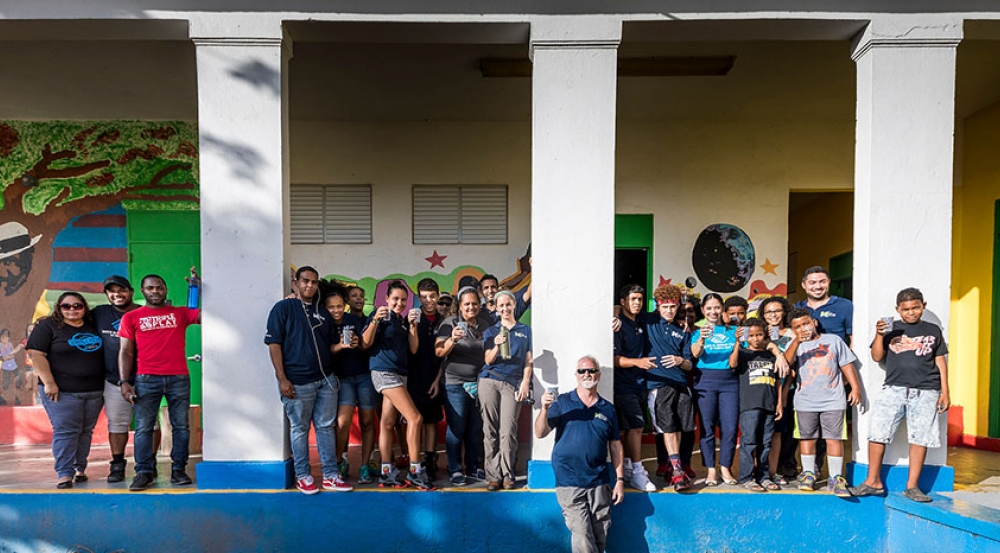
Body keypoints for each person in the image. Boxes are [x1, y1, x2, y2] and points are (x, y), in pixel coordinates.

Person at [851, 288, 949, 503]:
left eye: (915, 307)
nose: (911, 312)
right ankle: (872, 481)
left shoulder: (933, 330)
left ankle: (912, 486)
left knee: (920, 437)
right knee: (878, 432)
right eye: (906, 309)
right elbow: (877, 357)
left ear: (923, 304)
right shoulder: (891, 328)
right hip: (893, 388)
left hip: (927, 390)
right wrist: (879, 334)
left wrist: (945, 391)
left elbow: (940, 361)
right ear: (898, 309)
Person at [266, 267, 351, 494]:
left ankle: (331, 475)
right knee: (300, 428)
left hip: (326, 381)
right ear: (295, 282)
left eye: (314, 282)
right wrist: (282, 378)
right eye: (305, 281)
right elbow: (274, 344)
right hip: (296, 381)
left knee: (325, 427)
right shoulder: (283, 307)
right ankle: (303, 475)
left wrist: (341, 346)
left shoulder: (322, 313)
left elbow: (329, 346)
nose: (309, 286)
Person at [119, 270, 201, 492]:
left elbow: (203, 315)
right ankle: (144, 472)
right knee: (144, 428)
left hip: (178, 378)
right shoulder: (131, 317)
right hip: (146, 378)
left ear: (166, 290)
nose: (155, 291)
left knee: (181, 427)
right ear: (142, 291)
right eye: (150, 288)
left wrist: (196, 288)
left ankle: (179, 470)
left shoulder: (180, 313)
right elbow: (125, 351)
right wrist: (124, 381)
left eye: (159, 287)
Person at [535, 356, 624, 553]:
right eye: (582, 371)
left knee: (600, 534)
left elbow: (615, 445)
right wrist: (544, 409)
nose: (587, 374)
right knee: (582, 535)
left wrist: (619, 479)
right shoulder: (562, 402)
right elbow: (540, 433)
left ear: (598, 375)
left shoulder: (607, 408)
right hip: (569, 479)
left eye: (591, 371)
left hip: (599, 480)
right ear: (576, 375)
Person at [26, 292, 105, 488]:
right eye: (66, 306)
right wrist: (50, 382)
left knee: (85, 431)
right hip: (63, 392)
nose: (72, 310)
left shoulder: (92, 326)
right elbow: (36, 355)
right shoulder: (48, 326)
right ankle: (64, 473)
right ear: (59, 308)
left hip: (94, 391)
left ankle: (80, 468)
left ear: (84, 307)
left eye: (77, 306)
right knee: (66, 431)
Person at [361, 280, 434, 490]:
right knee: (415, 418)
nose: (399, 303)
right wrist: (375, 319)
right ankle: (415, 471)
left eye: (403, 300)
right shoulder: (379, 316)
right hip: (384, 373)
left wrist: (413, 326)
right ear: (386, 298)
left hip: (400, 374)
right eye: (395, 299)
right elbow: (365, 343)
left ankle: (386, 473)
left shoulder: (402, 321)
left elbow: (413, 349)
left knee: (387, 423)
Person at [783, 308, 861, 497]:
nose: (803, 328)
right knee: (807, 438)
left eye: (806, 323)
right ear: (792, 330)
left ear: (814, 322)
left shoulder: (833, 340)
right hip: (805, 401)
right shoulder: (796, 346)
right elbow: (785, 363)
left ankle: (835, 477)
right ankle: (808, 473)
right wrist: (796, 340)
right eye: (797, 327)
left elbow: (846, 364)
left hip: (833, 400)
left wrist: (855, 387)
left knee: (834, 438)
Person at [435, 286, 490, 486]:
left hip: (480, 384)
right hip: (455, 384)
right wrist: (452, 340)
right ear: (459, 306)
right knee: (457, 427)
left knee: (476, 428)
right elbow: (439, 352)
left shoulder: (485, 325)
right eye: (467, 303)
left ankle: (474, 467)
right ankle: (455, 469)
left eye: (474, 303)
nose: (471, 307)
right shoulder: (449, 324)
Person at [643, 284, 695, 491]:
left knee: (681, 427)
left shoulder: (683, 331)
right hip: (658, 385)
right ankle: (676, 472)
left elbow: (690, 364)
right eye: (665, 307)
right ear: (657, 306)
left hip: (681, 384)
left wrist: (679, 360)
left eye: (673, 307)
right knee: (667, 427)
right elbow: (623, 308)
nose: (669, 311)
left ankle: (675, 466)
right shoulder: (649, 321)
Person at [480, 290, 533, 491]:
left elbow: (528, 361)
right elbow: (487, 360)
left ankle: (508, 473)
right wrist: (496, 345)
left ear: (513, 305)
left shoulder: (525, 330)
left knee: (508, 430)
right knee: (490, 429)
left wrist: (526, 382)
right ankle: (493, 476)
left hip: (513, 383)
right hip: (490, 380)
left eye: (508, 305)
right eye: (501, 306)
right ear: (497, 308)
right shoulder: (491, 331)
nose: (505, 309)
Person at [324, 286, 377, 485]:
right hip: (343, 378)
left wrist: (358, 343)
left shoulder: (354, 320)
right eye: (331, 307)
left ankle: (364, 465)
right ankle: (340, 461)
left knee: (367, 422)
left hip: (364, 375)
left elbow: (367, 344)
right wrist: (340, 345)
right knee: (342, 423)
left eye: (339, 306)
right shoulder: (325, 324)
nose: (336, 310)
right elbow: (325, 351)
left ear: (344, 305)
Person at [91, 275, 141, 483]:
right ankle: (118, 464)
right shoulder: (99, 314)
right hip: (113, 380)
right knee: (117, 424)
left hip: (144, 378)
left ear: (130, 292)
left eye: (121, 290)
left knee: (149, 424)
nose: (117, 294)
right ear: (106, 294)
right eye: (111, 291)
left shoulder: (143, 312)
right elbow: (70, 322)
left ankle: (147, 463)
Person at [729, 317, 786, 492]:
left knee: (766, 442)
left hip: (769, 405)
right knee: (749, 441)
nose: (755, 338)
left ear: (765, 335)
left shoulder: (770, 355)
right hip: (750, 406)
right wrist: (738, 342)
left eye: (759, 334)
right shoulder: (744, 354)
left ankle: (764, 476)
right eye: (751, 335)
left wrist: (778, 405)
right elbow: (732, 363)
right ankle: (746, 477)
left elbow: (777, 382)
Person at [690, 292, 739, 486]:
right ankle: (710, 469)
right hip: (705, 381)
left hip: (730, 382)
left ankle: (725, 467)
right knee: (707, 427)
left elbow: (740, 354)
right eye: (709, 308)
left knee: (729, 427)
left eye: (717, 307)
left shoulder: (733, 330)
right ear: (703, 310)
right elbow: (694, 355)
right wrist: (701, 339)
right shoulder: (696, 332)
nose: (713, 311)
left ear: (723, 309)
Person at [611, 284, 656, 492]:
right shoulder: (618, 326)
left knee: (632, 428)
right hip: (624, 385)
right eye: (632, 299)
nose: (636, 302)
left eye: (639, 299)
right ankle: (638, 471)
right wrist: (637, 362)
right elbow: (614, 358)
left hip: (641, 384)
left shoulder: (643, 321)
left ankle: (629, 467)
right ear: (623, 301)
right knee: (636, 427)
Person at [407, 278, 446, 481]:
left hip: (435, 377)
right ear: (418, 297)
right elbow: (412, 349)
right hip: (415, 377)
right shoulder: (413, 318)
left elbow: (446, 355)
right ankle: (415, 460)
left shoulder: (444, 320)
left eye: (432, 296)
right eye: (423, 297)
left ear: (438, 296)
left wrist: (437, 379)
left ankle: (430, 461)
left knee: (431, 422)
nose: (428, 300)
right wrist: (412, 326)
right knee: (415, 421)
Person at [758, 296, 797, 484]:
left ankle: (780, 470)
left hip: (788, 388)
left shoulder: (793, 333)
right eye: (768, 312)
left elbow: (790, 365)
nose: (773, 315)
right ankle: (762, 470)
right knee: (762, 432)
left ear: (784, 312)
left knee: (783, 432)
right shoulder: (759, 333)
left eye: (777, 311)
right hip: (763, 387)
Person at [795, 266, 853, 347]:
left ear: (829, 282)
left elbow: (854, 338)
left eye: (823, 282)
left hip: (835, 358)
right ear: (804, 285)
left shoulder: (844, 305)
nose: (818, 286)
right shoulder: (797, 308)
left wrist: (849, 358)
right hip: (804, 358)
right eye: (812, 282)